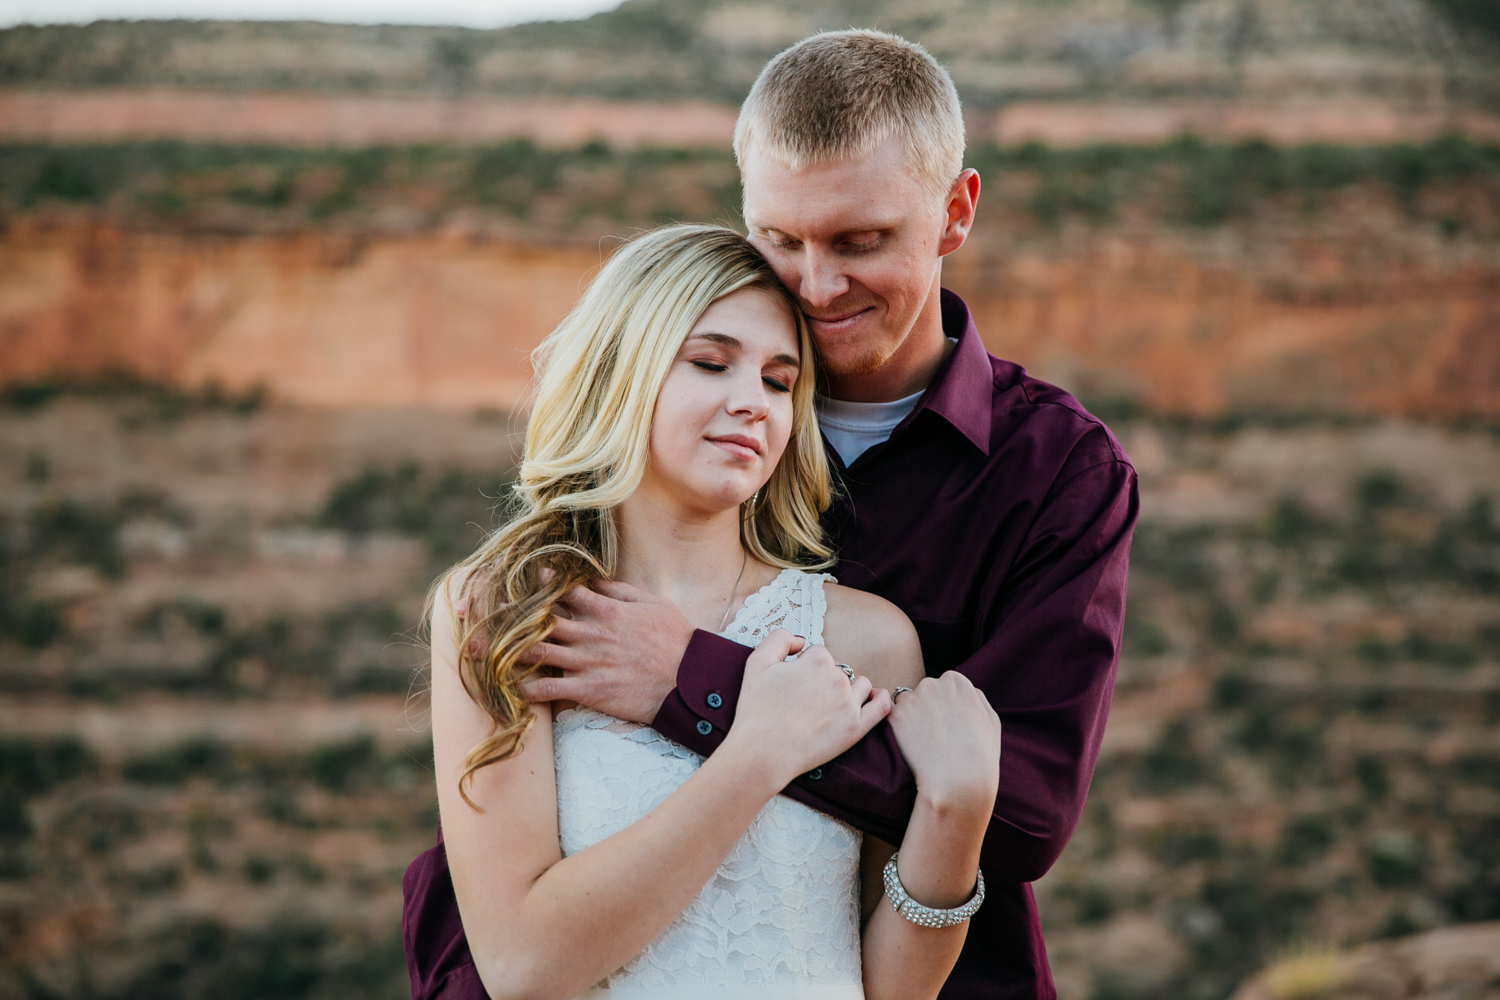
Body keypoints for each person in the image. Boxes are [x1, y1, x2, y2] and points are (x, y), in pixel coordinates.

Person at [406, 30, 1139, 1000]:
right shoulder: (521, 604)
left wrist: (694, 681)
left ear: (956, 211)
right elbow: (524, 941)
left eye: (860, 241)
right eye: (781, 239)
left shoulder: (1055, 477)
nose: (815, 284)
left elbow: (1023, 813)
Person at [415, 223, 1003, 1000]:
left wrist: (957, 818)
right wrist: (758, 753)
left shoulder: (867, 637)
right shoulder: (510, 610)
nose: (750, 403)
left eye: (778, 380)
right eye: (712, 363)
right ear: (623, 369)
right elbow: (524, 966)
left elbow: (892, 992)